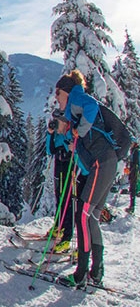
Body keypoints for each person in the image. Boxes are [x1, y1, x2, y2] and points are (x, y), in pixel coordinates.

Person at [53, 70, 118, 288]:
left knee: (83, 214)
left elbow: (91, 106)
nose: (57, 100)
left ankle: (81, 274)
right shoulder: (73, 109)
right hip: (106, 163)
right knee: (91, 218)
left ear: (65, 91)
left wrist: (79, 132)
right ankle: (95, 272)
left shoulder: (76, 98)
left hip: (102, 162)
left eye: (58, 95)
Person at [45, 108, 76, 254]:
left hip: (69, 171)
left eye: (58, 121)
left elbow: (71, 150)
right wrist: (50, 134)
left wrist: (68, 146)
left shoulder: (70, 133)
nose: (56, 124)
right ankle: (59, 225)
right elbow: (50, 150)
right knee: (60, 199)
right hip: (59, 169)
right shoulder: (57, 134)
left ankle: (67, 237)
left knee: (68, 202)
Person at [130, 141, 139, 215]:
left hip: (134, 173)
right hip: (134, 172)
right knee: (132, 189)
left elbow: (135, 164)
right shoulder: (134, 151)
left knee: (133, 189)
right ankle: (131, 206)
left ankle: (132, 207)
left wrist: (132, 173)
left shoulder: (135, 151)